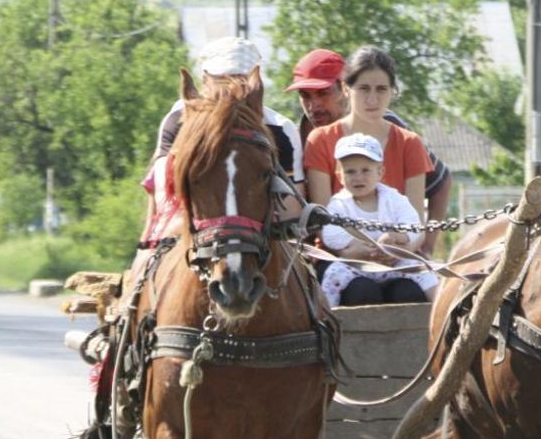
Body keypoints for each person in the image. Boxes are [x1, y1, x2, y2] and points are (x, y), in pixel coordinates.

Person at [138, 37, 304, 252]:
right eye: (223, 79)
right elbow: (163, 193)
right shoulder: (178, 119)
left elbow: (292, 206)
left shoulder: (280, 129)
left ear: (255, 82)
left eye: (240, 78)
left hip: (261, 236)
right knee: (143, 268)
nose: (232, 87)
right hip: (187, 228)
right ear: (205, 79)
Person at [288, 47, 451, 255]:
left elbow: (441, 181)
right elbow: (317, 216)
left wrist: (423, 245)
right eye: (305, 95)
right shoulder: (299, 137)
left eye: (323, 93)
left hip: (396, 249)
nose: (314, 104)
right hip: (337, 254)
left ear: (343, 88)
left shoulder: (392, 127)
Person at [319, 133, 437, 306]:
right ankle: (328, 317)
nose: (358, 177)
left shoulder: (394, 199)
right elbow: (330, 233)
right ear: (339, 176)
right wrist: (356, 245)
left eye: (365, 170)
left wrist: (396, 237)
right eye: (350, 171)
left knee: (425, 272)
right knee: (332, 275)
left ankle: (444, 310)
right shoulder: (338, 204)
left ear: (380, 172)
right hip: (357, 265)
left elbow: (413, 224)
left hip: (394, 263)